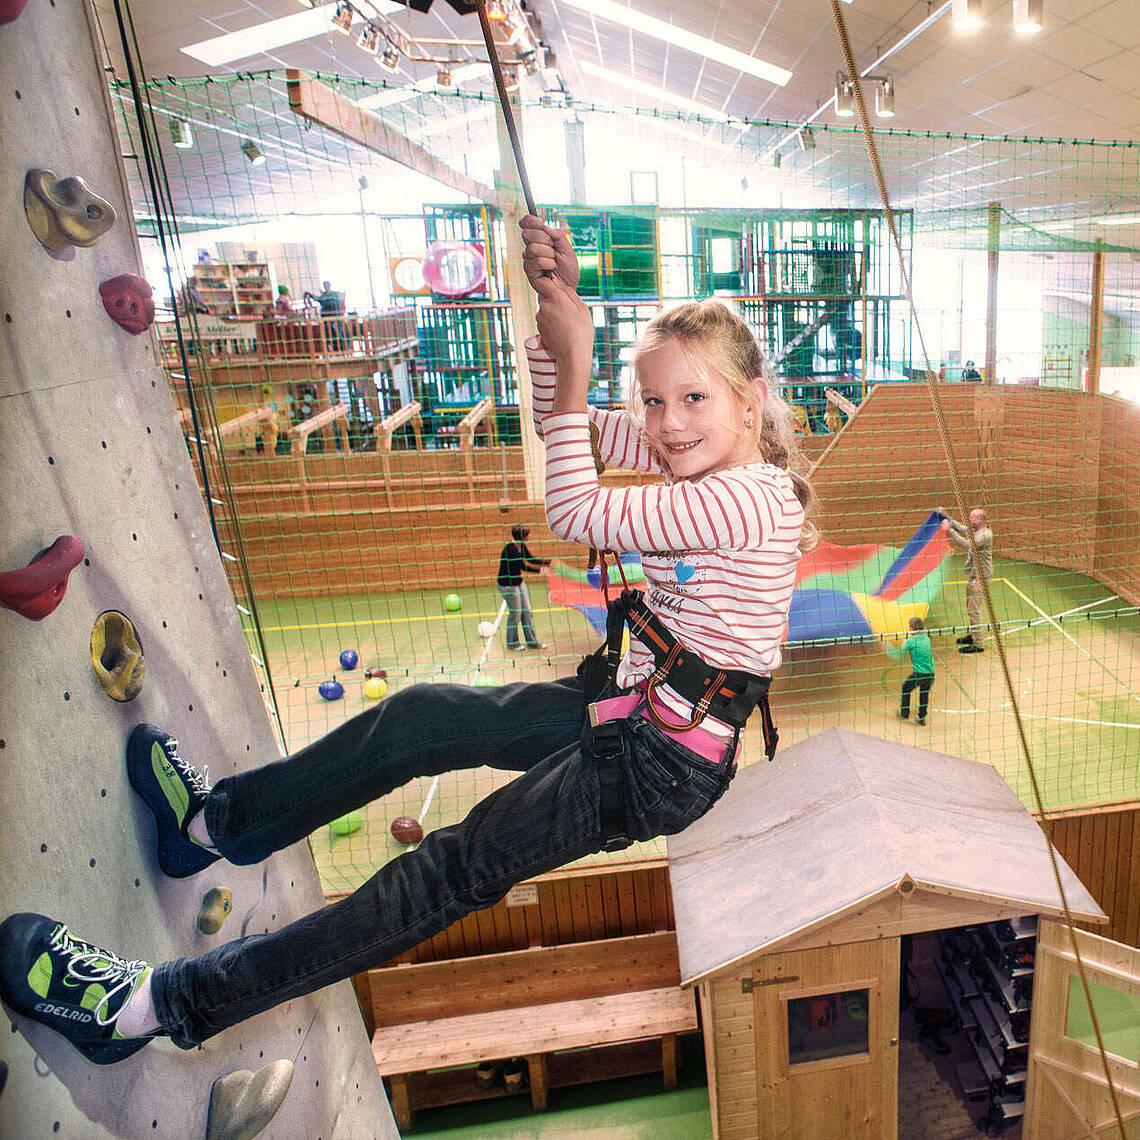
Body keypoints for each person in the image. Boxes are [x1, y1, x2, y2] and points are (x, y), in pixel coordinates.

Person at [0, 215, 815, 1065]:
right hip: (628, 709)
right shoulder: (689, 457)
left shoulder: (752, 499)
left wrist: (577, 360)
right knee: (420, 717)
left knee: (442, 873)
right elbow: (558, 420)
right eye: (653, 399)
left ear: (749, 399)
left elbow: (572, 508)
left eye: (693, 399)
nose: (667, 422)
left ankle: (144, 1009)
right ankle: (213, 826)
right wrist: (556, 305)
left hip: (658, 762)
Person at [939, 506, 993, 653]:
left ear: (980, 521)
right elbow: (963, 529)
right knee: (970, 607)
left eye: (972, 518)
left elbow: (966, 544)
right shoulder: (976, 530)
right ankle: (973, 635)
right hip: (975, 576)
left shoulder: (985, 535)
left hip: (981, 578)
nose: (969, 520)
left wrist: (948, 530)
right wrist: (946, 517)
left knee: (973, 610)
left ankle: (978, 644)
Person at [496, 524, 549, 650]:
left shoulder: (521, 546)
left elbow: (530, 559)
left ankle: (532, 642)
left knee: (527, 612)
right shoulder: (510, 549)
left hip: (518, 582)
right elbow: (522, 566)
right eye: (528, 534)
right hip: (507, 585)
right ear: (523, 536)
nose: (530, 536)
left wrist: (547, 562)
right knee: (516, 613)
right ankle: (512, 643)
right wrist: (541, 571)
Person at [887, 616, 935, 725]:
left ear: (912, 629)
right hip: (931, 673)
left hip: (919, 674)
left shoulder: (911, 641)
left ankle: (904, 713)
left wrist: (887, 646)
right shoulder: (926, 637)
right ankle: (921, 717)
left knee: (906, 688)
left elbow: (898, 655)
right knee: (924, 693)